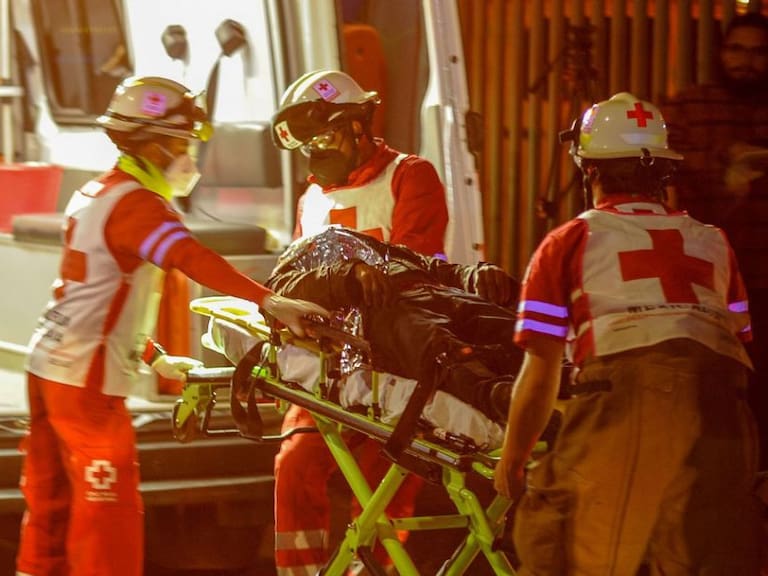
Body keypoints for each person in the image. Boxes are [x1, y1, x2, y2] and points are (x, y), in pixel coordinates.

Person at [15, 76, 328, 576]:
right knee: (107, 522)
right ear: (152, 144)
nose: (189, 158)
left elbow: (98, 298)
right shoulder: (138, 205)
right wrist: (271, 301)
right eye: (182, 145)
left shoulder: (95, 192)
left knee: (50, 511)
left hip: (48, 365)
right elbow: (190, 257)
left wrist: (154, 356)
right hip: (85, 385)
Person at [494, 92, 762, 574]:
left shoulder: (569, 241)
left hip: (628, 402)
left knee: (558, 544)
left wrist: (512, 460)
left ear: (589, 170)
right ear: (663, 173)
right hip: (726, 413)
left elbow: (540, 370)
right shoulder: (713, 241)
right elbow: (736, 338)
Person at [269, 69, 449, 575]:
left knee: (384, 491)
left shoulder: (409, 177)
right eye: (308, 143)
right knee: (294, 466)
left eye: (324, 137)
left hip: (396, 364)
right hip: (325, 364)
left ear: (356, 126)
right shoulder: (311, 198)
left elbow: (413, 268)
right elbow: (295, 278)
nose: (316, 151)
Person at [266, 226, 522, 423]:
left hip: (440, 294)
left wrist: (474, 275)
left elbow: (436, 268)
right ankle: (497, 397)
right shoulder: (298, 262)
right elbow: (278, 291)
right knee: (436, 346)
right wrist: (350, 274)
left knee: (511, 330)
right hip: (382, 307)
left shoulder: (384, 250)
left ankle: (543, 375)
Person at [662, 11, 768, 469]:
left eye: (759, 52)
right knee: (702, 390)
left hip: (763, 276)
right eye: (737, 50)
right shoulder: (690, 107)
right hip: (702, 280)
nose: (746, 61)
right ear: (721, 53)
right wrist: (724, 174)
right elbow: (662, 180)